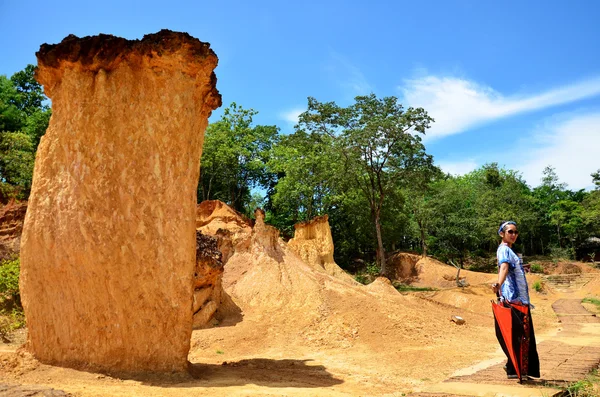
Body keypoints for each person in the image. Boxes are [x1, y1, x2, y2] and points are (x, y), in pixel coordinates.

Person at [491, 220, 540, 380]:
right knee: (519, 336)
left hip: (520, 300)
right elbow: (504, 267)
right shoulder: (504, 250)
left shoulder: (511, 251)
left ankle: (513, 368)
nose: (513, 235)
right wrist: (499, 283)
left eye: (515, 232)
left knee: (521, 335)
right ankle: (516, 369)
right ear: (502, 234)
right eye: (510, 232)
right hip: (513, 299)